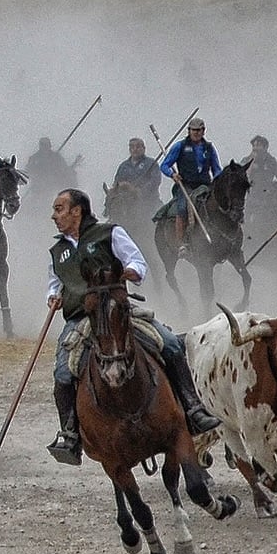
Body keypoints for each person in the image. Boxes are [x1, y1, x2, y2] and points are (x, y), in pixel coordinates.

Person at [45, 189, 220, 464]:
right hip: (80, 318)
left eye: (59, 209)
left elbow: (137, 261)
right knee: (63, 374)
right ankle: (70, 434)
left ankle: (192, 408)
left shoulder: (109, 233)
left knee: (171, 344)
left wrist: (130, 272)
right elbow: (55, 281)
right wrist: (52, 296)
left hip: (117, 312)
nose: (54, 216)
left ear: (76, 211)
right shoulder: (58, 250)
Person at [158, 117, 221, 256]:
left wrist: (218, 180)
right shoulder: (179, 146)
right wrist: (172, 175)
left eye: (199, 130)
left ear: (203, 131)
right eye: (194, 130)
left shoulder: (209, 148)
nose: (196, 133)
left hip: (205, 185)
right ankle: (182, 243)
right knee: (182, 208)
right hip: (186, 185)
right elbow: (164, 165)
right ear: (189, 131)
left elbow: (217, 169)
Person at [112, 137, 162, 202]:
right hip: (128, 203)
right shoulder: (123, 166)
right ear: (129, 149)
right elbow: (116, 183)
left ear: (144, 149)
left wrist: (139, 191)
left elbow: (155, 181)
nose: (135, 149)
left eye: (138, 147)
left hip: (149, 202)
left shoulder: (151, 163)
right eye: (132, 147)